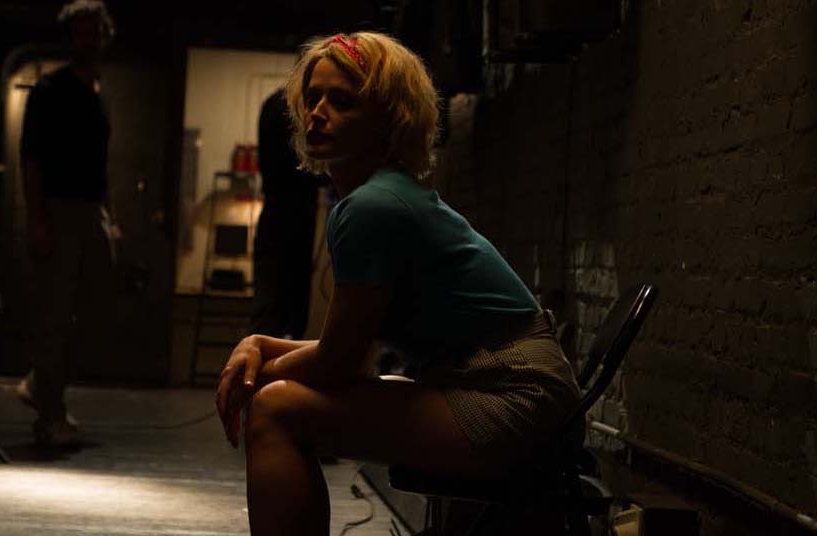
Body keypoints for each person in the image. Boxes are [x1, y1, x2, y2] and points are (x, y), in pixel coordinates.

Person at [214, 32, 581, 535]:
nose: (317, 113)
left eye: (342, 101)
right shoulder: (380, 197)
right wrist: (258, 344)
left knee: (275, 408)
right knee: (281, 398)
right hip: (511, 390)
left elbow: (340, 364)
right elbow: (348, 351)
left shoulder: (371, 208)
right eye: (312, 98)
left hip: (515, 399)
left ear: (389, 120)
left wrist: (256, 372)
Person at [16, 0, 118, 447]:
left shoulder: (98, 92)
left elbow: (99, 164)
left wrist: (109, 215)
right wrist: (37, 218)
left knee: (92, 309)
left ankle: (40, 384)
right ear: (69, 36)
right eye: (80, 30)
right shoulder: (49, 90)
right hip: (58, 209)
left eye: (94, 29)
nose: (88, 38)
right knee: (56, 313)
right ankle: (49, 413)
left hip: (90, 211)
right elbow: (31, 159)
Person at [250, 86, 324, 341]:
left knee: (269, 309)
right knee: (288, 315)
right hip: (295, 216)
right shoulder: (294, 108)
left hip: (276, 213)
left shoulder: (274, 103)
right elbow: (305, 167)